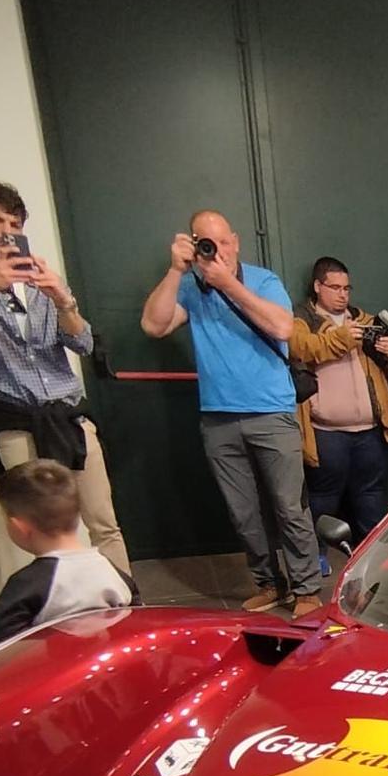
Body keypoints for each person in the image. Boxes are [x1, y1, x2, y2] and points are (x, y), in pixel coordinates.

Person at [0, 179, 131, 576]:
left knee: (103, 520)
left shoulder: (39, 275)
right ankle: (54, 609)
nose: (6, 231)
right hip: (15, 420)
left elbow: (83, 343)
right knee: (33, 530)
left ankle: (124, 604)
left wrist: (63, 299)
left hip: (68, 415)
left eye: (16, 223)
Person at [141, 210, 319, 617]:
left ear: (235, 241)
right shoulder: (189, 286)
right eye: (205, 242)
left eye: (221, 241)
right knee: (243, 511)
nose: (215, 250)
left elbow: (283, 329)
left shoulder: (263, 280)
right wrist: (174, 272)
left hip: (271, 412)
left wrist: (227, 284)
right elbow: (153, 325)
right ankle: (269, 583)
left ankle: (307, 589)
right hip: (218, 416)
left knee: (289, 506)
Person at [290, 256, 388, 537]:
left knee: (371, 497)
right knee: (322, 498)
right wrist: (341, 337)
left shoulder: (365, 320)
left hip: (370, 431)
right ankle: (316, 558)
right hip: (326, 431)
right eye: (335, 287)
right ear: (318, 286)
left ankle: (368, 559)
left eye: (347, 288)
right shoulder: (303, 320)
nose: (342, 294)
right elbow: (300, 349)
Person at [0, 460, 138, 645]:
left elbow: (0, 640)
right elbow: (136, 619)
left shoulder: (28, 583)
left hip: (58, 669)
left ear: (19, 527)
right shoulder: (111, 570)